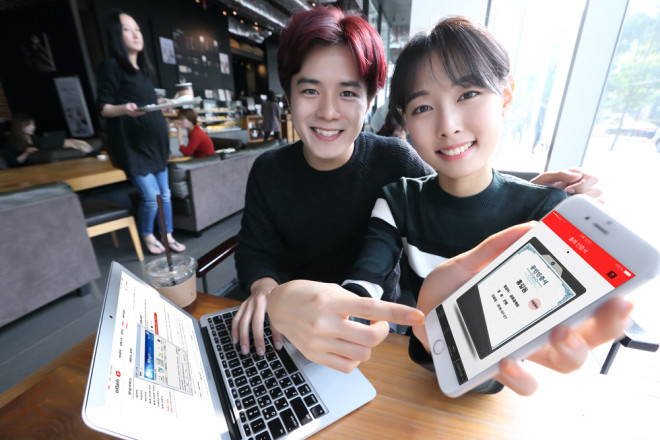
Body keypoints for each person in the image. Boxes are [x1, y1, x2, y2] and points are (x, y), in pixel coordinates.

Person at [232, 6, 604, 386]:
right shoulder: (269, 169)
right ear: (288, 94)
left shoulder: (395, 161)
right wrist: (266, 290)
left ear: (370, 100)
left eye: (347, 92)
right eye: (310, 90)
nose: (328, 111)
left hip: (379, 333)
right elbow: (253, 250)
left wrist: (529, 197)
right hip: (290, 325)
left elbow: (453, 188)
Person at [338, 16, 569, 393]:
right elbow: (365, 283)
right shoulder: (398, 200)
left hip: (502, 393)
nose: (448, 126)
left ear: (506, 96)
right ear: (406, 122)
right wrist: (339, 318)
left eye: (467, 95)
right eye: (422, 108)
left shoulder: (544, 212)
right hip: (417, 376)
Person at [96, 10, 185, 255]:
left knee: (165, 195)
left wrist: (164, 104)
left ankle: (167, 235)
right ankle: (147, 234)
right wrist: (124, 108)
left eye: (137, 29)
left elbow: (147, 103)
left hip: (155, 145)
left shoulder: (143, 70)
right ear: (116, 35)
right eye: (128, 29)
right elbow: (102, 108)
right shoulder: (112, 66)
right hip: (132, 146)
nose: (136, 34)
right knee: (151, 196)